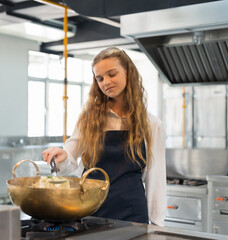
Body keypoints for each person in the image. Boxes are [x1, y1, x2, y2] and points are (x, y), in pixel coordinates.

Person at [42, 46, 166, 226]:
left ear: (128, 73)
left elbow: (156, 180)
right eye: (99, 78)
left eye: (112, 74)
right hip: (91, 209)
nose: (105, 82)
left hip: (132, 213)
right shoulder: (88, 119)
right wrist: (61, 157)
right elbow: (70, 163)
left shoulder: (151, 124)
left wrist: (156, 225)